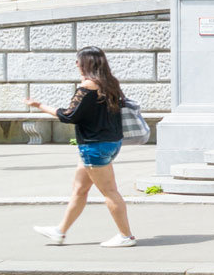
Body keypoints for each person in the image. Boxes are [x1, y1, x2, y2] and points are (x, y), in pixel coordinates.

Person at [25, 47, 136, 247]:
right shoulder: (111, 84)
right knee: (80, 189)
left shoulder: (87, 87)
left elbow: (69, 115)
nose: (76, 65)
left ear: (85, 63)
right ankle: (60, 231)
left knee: (110, 191)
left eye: (77, 61)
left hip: (94, 147)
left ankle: (125, 236)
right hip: (110, 142)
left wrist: (39, 105)